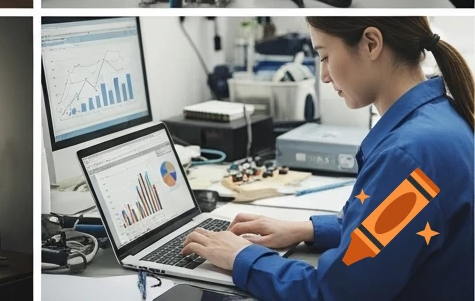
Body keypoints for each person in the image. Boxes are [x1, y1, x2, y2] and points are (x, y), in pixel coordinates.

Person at [182, 16, 473, 301]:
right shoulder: (442, 116)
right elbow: (394, 225)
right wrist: (305, 229)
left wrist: (243, 257)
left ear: (371, 44)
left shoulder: (408, 155)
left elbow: (335, 292)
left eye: (324, 56)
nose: (324, 75)